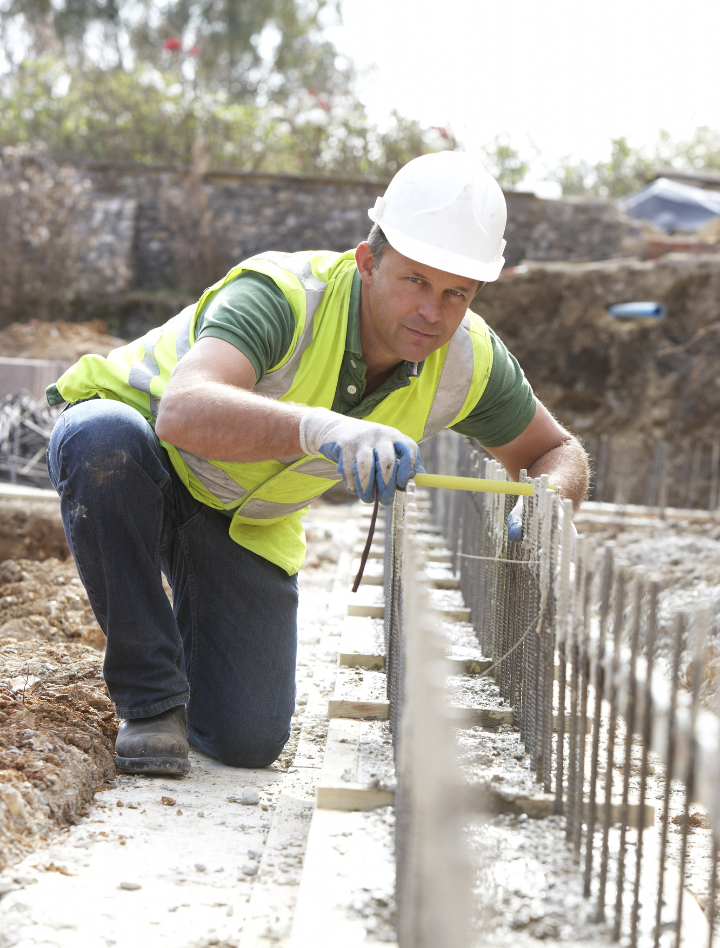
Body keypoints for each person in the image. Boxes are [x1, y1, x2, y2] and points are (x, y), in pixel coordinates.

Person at [46, 151, 589, 778]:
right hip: (145, 453)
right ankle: (148, 699)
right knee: (102, 441)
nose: (432, 313)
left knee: (247, 739)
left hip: (241, 516)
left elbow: (558, 450)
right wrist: (322, 428)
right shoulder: (282, 296)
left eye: (455, 293)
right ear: (368, 261)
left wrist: (547, 502)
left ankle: (188, 633)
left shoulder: (470, 361)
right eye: (415, 280)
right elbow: (184, 412)